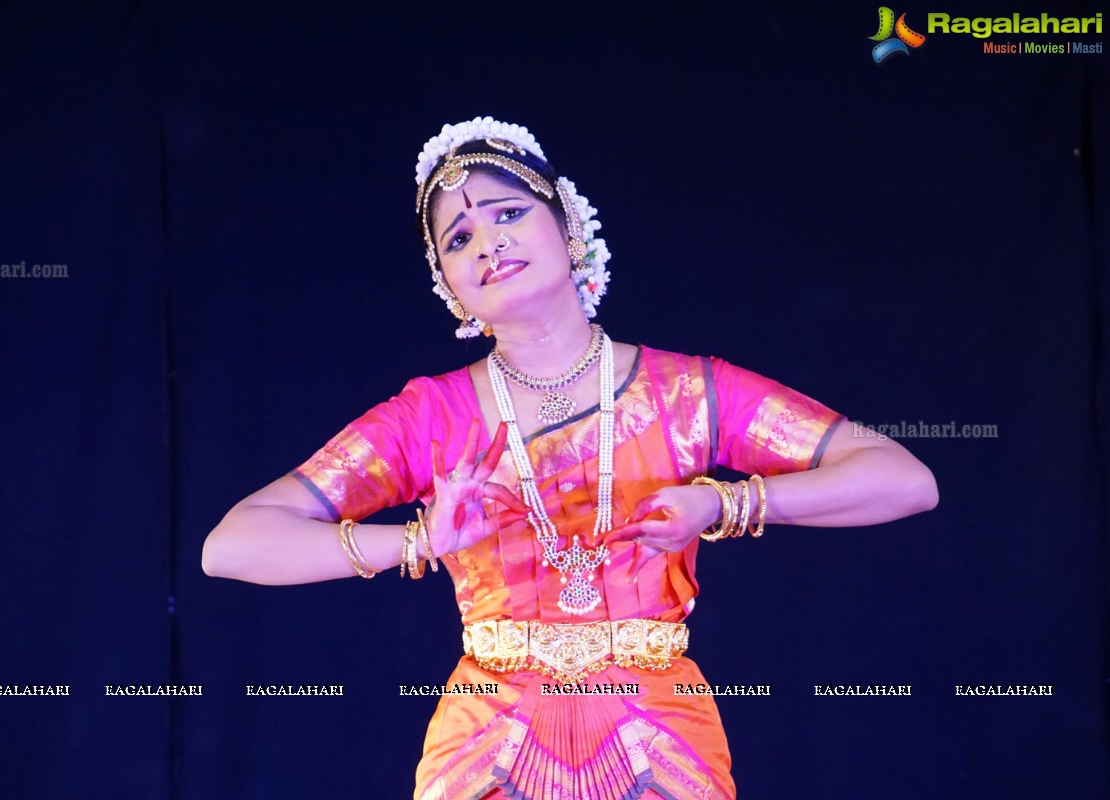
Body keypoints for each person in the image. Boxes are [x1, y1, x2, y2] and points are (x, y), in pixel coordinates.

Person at [202, 116, 938, 800]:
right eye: (457, 238)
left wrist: (725, 502)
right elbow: (231, 546)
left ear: (570, 226)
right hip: (485, 744)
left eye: (509, 213)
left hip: (660, 737)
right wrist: (417, 541)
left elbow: (904, 480)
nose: (487, 243)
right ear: (449, 287)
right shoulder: (430, 417)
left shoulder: (687, 393)